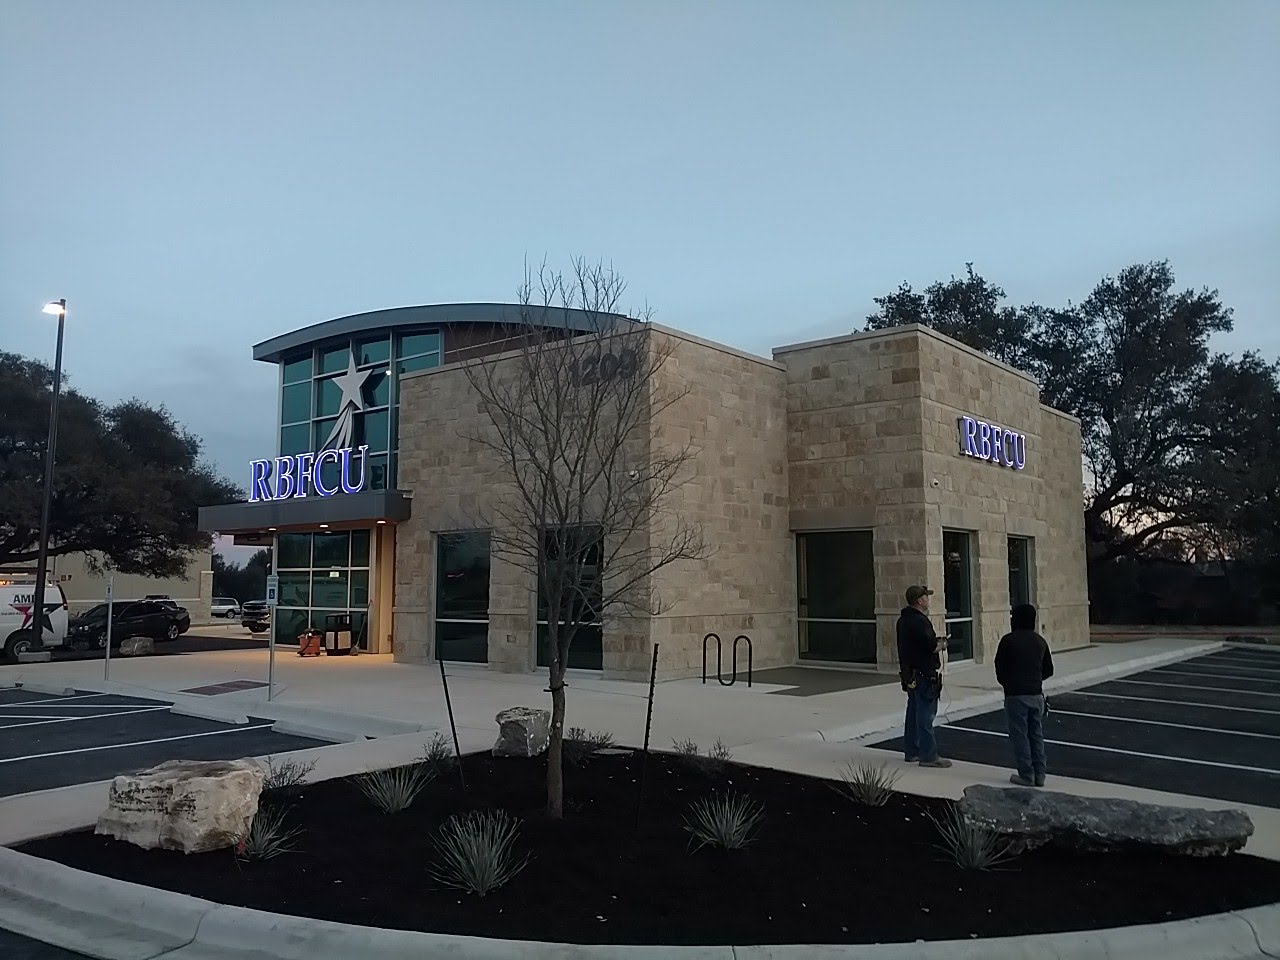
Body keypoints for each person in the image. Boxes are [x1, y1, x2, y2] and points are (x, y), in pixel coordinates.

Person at [994, 603, 1054, 787]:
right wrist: (1035, 680)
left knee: (1020, 736)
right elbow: (1049, 670)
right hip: (1036, 694)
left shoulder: (1008, 641)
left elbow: (1000, 668)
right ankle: (1040, 774)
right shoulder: (1040, 641)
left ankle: (1027, 774)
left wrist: (1008, 683)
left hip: (1016, 695)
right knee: (1036, 734)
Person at [896, 585, 951, 768]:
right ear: (919, 601)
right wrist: (941, 644)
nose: (928, 600)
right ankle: (929, 755)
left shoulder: (903, 621)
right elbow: (929, 646)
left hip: (910, 674)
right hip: (924, 673)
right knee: (926, 715)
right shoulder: (920, 621)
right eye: (926, 597)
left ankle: (912, 751)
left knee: (913, 713)